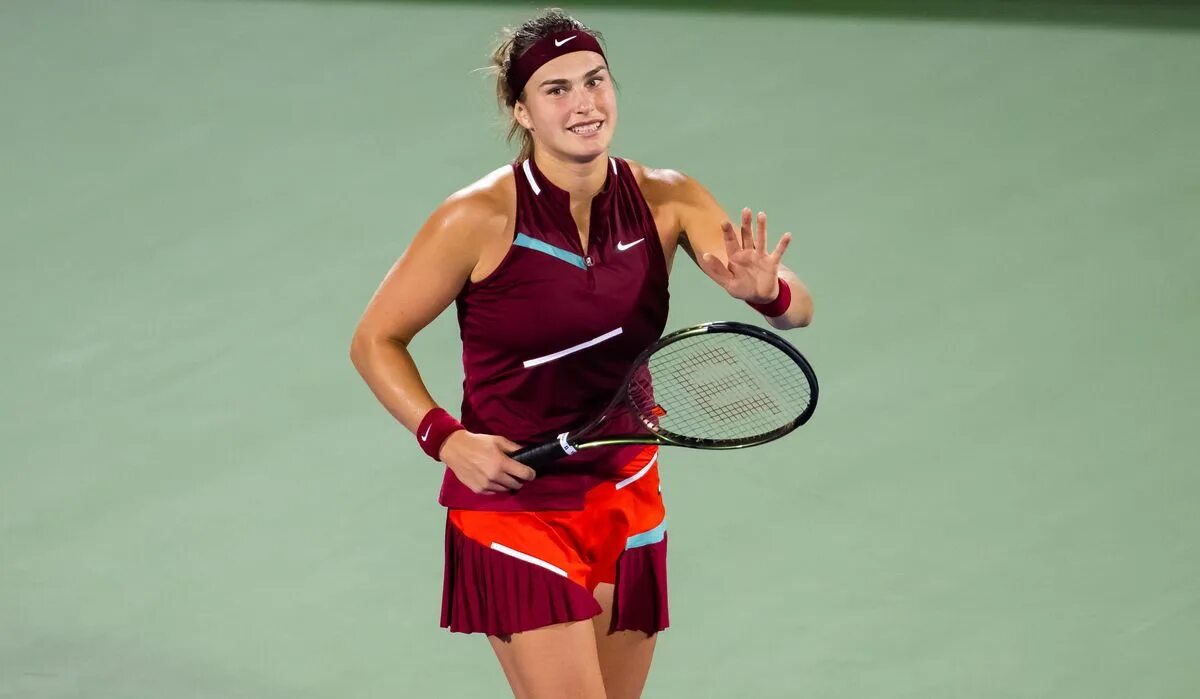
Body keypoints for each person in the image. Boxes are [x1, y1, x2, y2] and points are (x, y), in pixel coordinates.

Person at [350, 8, 813, 698]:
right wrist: (446, 439)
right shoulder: (476, 218)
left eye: (595, 80)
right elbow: (374, 340)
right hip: (516, 503)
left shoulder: (667, 197)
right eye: (557, 89)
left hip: (627, 491)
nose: (584, 103)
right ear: (523, 111)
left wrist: (770, 291)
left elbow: (798, 309)